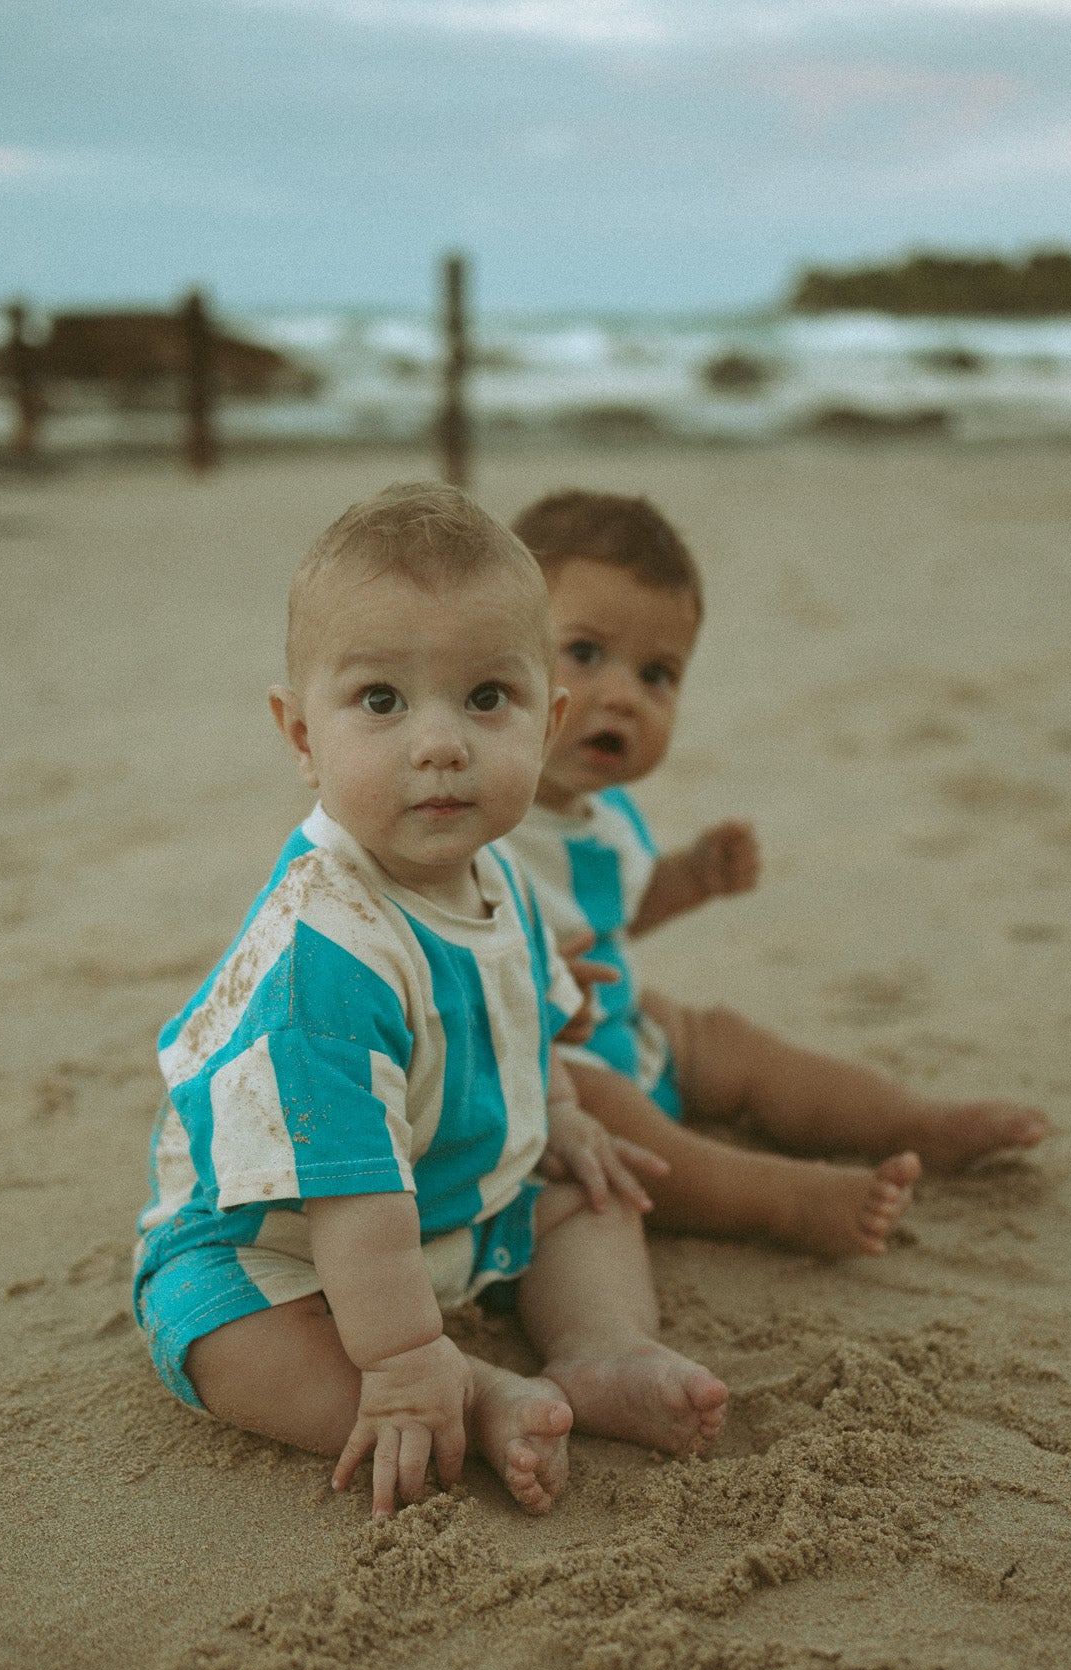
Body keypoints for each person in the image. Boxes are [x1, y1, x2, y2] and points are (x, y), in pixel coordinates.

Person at [133, 483, 727, 1519]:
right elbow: (350, 1194)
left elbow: (530, 1022)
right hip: (289, 1247)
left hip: (455, 1204)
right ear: (300, 732)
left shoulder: (502, 878)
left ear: (547, 724)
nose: (441, 742)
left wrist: (568, 1115)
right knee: (222, 1334)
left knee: (585, 1187)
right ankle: (474, 1390)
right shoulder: (326, 946)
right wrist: (411, 1358)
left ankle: (603, 1347)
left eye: (486, 698)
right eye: (381, 701)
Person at [507, 491, 1049, 1259]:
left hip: (624, 1026)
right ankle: (778, 1201)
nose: (623, 695)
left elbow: (614, 913)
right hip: (544, 1073)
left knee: (725, 1041)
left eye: (657, 673)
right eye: (585, 653)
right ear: (495, 649)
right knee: (616, 1117)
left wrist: (689, 878)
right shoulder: (476, 821)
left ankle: (912, 1122)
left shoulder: (607, 813)